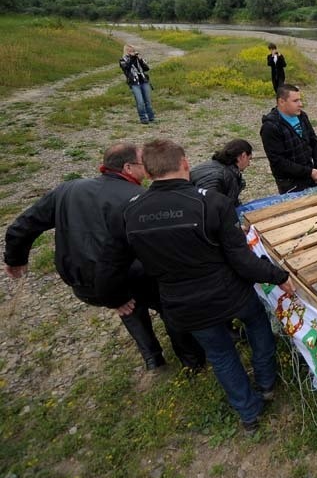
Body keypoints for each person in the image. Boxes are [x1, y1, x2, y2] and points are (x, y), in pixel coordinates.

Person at [95, 139, 295, 433]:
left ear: (148, 173)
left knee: (221, 355)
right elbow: (243, 262)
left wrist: (114, 299)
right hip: (230, 294)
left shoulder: (129, 212)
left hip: (182, 304)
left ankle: (248, 413)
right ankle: (266, 384)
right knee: (258, 326)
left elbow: (109, 265)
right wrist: (279, 276)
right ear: (185, 164)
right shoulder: (212, 203)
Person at [3, 142, 204, 371]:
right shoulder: (140, 199)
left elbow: (24, 225)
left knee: (128, 308)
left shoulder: (68, 189)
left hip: (83, 283)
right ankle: (192, 360)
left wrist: (15, 258)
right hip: (129, 277)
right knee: (167, 306)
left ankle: (152, 358)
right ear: (128, 168)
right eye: (143, 163)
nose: (148, 167)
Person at [260, 84, 317, 194]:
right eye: (295, 101)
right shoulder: (270, 127)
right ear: (281, 102)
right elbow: (278, 161)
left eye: (300, 100)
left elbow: (314, 141)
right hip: (290, 183)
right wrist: (308, 172)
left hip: (310, 174)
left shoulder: (301, 116)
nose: (301, 104)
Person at [190, 139, 253, 206]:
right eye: (249, 159)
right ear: (243, 156)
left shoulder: (209, 165)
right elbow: (213, 207)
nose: (249, 164)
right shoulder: (228, 176)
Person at [119, 44, 156, 125]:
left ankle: (151, 117)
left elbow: (146, 68)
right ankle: (143, 118)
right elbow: (126, 68)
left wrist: (139, 59)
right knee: (140, 101)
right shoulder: (122, 60)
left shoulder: (137, 59)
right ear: (126, 51)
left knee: (147, 100)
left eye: (133, 50)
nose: (132, 52)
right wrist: (132, 58)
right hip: (134, 83)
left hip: (143, 81)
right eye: (130, 51)